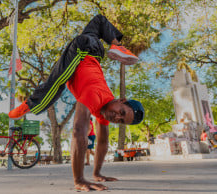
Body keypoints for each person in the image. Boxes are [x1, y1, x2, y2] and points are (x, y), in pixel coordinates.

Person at [9, 14, 144, 191]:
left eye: (119, 121)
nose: (116, 116)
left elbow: (102, 143)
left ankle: (117, 46)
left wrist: (97, 173)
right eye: (122, 112)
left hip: (95, 49)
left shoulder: (104, 110)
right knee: (57, 82)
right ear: (121, 100)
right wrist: (79, 179)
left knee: (99, 21)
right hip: (84, 49)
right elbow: (78, 131)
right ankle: (31, 105)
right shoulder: (95, 95)